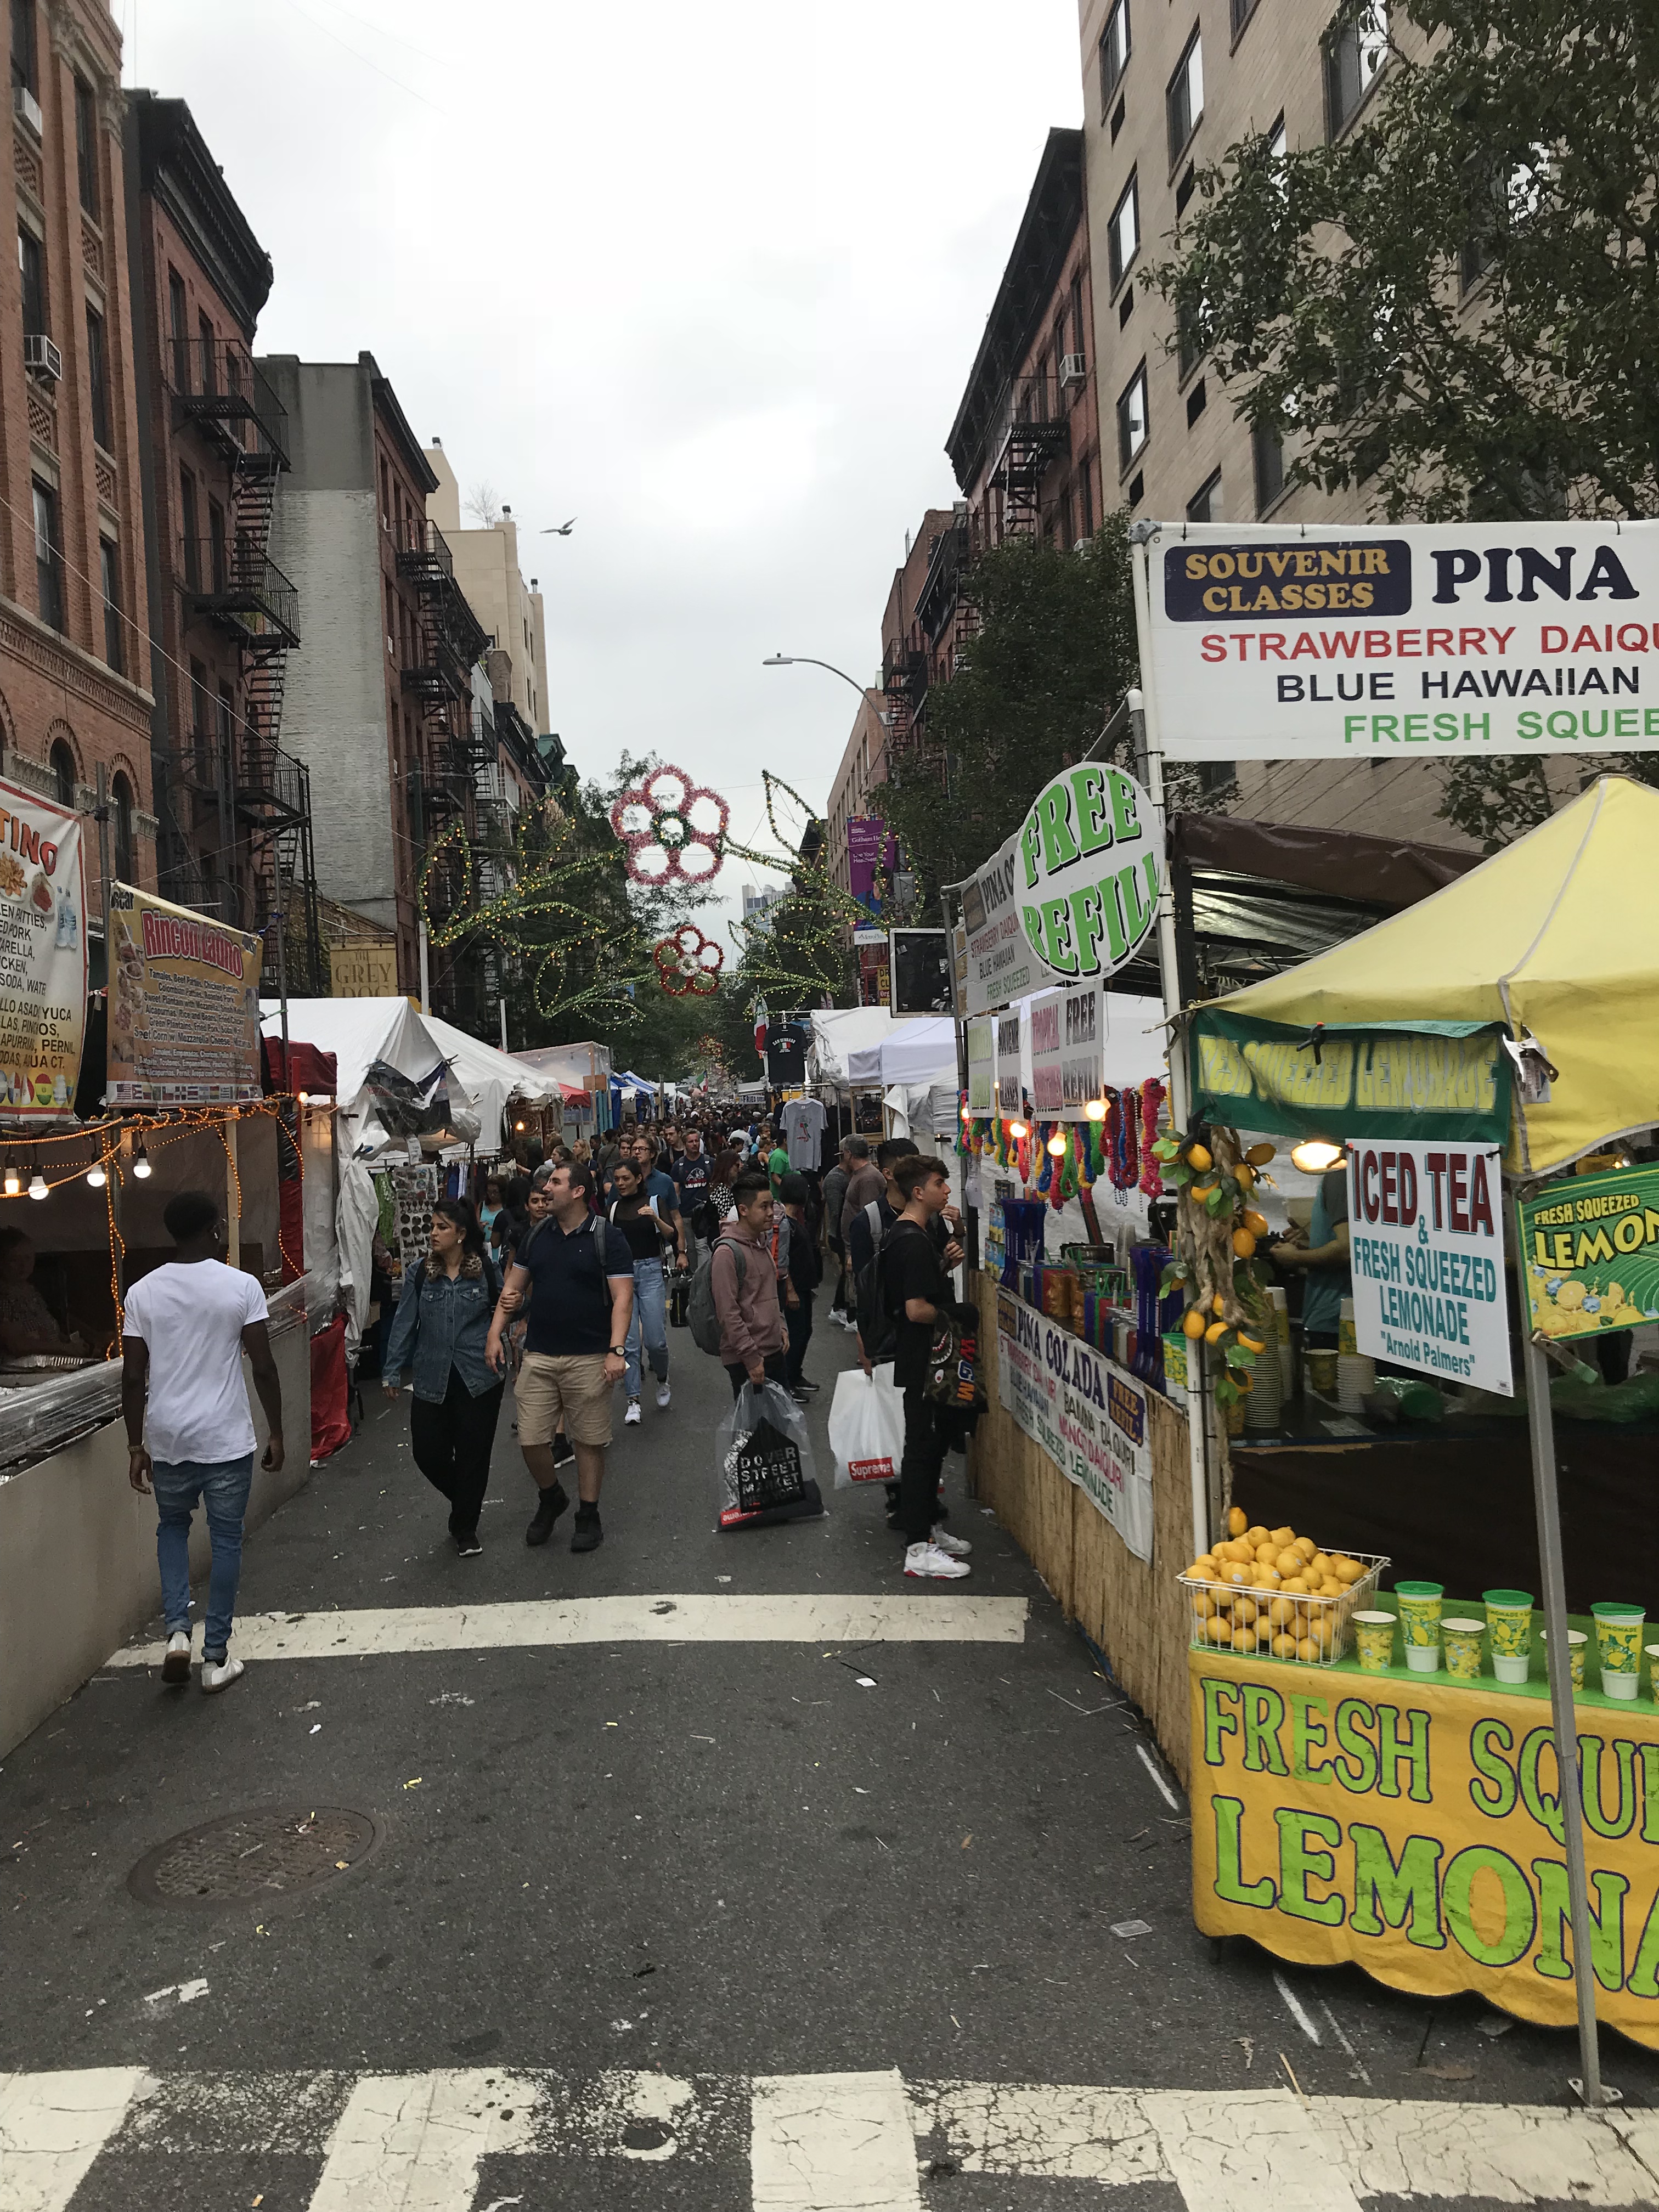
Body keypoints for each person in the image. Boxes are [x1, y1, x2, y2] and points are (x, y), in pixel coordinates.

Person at [121, 1190, 285, 1692]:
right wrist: (277, 1430)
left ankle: (176, 1633)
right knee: (226, 1539)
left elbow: (133, 1376)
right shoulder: (241, 1286)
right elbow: (263, 1366)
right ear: (215, 1229)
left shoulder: (142, 1293)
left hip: (168, 1436)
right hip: (225, 1437)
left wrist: (135, 1445)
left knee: (172, 1527)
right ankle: (216, 1659)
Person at [487, 1160, 634, 1554]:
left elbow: (622, 1297)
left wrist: (616, 1350)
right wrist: (495, 1333)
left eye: (555, 1182)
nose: (546, 1189)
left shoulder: (607, 1237)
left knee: (588, 1441)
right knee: (531, 1439)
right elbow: (512, 1289)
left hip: (590, 1355)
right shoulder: (537, 1236)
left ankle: (588, 1514)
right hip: (539, 1353)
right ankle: (551, 1496)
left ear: (578, 1191)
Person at [382, 1198, 504, 1557]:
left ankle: (465, 1527)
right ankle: (466, 1500)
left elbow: (504, 1308)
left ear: (461, 1234)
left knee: (473, 1454)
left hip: (479, 1376)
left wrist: (515, 1315)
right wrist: (392, 1370)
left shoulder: (485, 1270)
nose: (433, 1233)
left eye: (442, 1227)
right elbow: (405, 1322)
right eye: (432, 1227)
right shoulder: (420, 1273)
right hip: (432, 1376)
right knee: (427, 1452)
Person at [881, 1154, 973, 1582]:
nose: (947, 1190)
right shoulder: (912, 1242)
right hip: (924, 1360)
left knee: (930, 1447)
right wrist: (958, 1315)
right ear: (919, 1192)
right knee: (922, 1448)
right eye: (940, 1183)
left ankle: (928, 1529)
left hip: (925, 1359)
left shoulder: (912, 1237)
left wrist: (945, 1266)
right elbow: (916, 1309)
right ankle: (918, 1547)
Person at [607, 1156, 675, 1424]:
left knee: (656, 1341)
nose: (621, 1183)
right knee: (630, 1343)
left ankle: (662, 1378)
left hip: (650, 1272)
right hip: (622, 1276)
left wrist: (655, 1219)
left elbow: (672, 1235)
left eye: (626, 1178)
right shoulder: (613, 1209)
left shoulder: (654, 1202)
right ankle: (633, 1400)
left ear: (638, 1179)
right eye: (617, 1179)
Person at [710, 1170, 788, 1397]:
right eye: (763, 1207)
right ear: (743, 1210)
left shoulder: (761, 1242)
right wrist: (751, 1359)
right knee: (756, 1420)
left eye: (772, 1205)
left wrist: (781, 1326)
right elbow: (728, 1313)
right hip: (749, 1358)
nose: (771, 1212)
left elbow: (769, 1293)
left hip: (773, 1350)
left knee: (781, 1418)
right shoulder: (727, 1254)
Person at [1270, 1166, 1352, 1351]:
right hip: (1338, 1319)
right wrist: (1310, 1243)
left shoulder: (1339, 1175)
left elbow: (1346, 1249)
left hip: (1336, 1320)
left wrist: (1296, 1257)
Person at [0, 1226, 92, 1357]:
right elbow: (17, 1345)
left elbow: (48, 1329)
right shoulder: (4, 1298)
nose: (23, 1265)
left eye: (28, 1258)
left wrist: (70, 1342)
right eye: (14, 1260)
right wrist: (63, 1348)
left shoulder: (31, 1292)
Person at [778, 1172, 821, 1400]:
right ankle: (786, 1382)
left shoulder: (797, 1219)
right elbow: (782, 1260)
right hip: (794, 1288)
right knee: (796, 1334)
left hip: (804, 1286)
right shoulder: (786, 1224)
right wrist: (790, 1290)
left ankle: (795, 1374)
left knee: (805, 1331)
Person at [630, 1133, 686, 1268]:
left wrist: (681, 1252)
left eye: (642, 1149)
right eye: (634, 1149)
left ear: (652, 1154)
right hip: (630, 1252)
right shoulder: (623, 1182)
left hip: (661, 1250)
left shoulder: (664, 1181)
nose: (637, 1152)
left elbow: (676, 1217)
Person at [822, 1142, 853, 1330]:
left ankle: (840, 1306)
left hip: (844, 1232)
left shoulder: (848, 1175)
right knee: (847, 1271)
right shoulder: (835, 1179)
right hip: (839, 1233)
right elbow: (836, 1212)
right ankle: (840, 1307)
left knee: (847, 1272)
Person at [672, 1128, 713, 1259]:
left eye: (697, 1141)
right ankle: (695, 1271)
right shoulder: (679, 1166)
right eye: (691, 1142)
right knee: (691, 1247)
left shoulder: (709, 1162)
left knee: (702, 1246)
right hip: (686, 1213)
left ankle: (704, 1272)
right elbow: (676, 1191)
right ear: (685, 1144)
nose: (694, 1144)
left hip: (704, 1214)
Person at [839, 1135, 882, 1244]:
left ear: (849, 1154)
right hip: (855, 1243)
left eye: (843, 1153)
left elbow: (869, 1218)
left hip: (861, 1244)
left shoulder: (868, 1178)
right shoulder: (859, 1174)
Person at [477, 1176, 505, 1245]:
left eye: (495, 1192)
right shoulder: (482, 1206)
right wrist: (480, 1227)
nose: (492, 1195)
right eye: (489, 1192)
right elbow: (476, 1226)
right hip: (483, 1245)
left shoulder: (505, 1207)